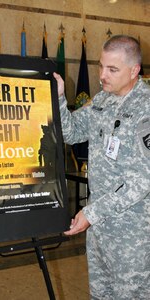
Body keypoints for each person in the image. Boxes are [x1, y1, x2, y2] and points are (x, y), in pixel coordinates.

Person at [54, 35, 150, 299]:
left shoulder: (146, 109)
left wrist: (91, 213)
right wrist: (59, 98)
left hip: (133, 234)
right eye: (100, 66)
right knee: (101, 294)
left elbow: (141, 182)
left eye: (112, 69)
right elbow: (71, 133)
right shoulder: (101, 101)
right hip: (99, 229)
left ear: (134, 70)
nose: (102, 76)